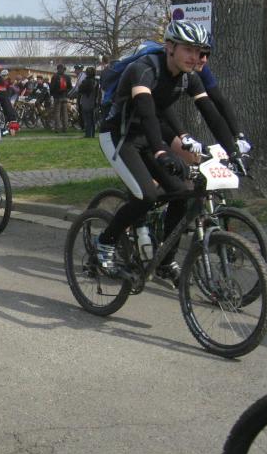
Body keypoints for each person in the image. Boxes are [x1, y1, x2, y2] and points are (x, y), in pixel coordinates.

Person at [96, 19, 239, 285]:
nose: (195, 56)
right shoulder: (144, 69)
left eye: (199, 51)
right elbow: (148, 114)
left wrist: (234, 151)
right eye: (188, 49)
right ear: (170, 47)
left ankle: (164, 260)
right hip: (119, 136)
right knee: (146, 196)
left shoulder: (188, 77)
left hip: (147, 138)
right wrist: (162, 153)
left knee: (181, 192)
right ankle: (105, 243)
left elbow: (211, 113)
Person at [49, 64, 72, 132]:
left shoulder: (55, 76)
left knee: (57, 113)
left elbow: (52, 87)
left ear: (57, 69)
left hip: (57, 97)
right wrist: (66, 93)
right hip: (64, 97)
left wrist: (52, 94)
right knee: (65, 113)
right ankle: (65, 128)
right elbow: (70, 87)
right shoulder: (67, 77)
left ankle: (58, 128)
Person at [77, 66, 98, 138]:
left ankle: (88, 134)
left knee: (87, 118)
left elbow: (80, 89)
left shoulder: (86, 81)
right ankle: (92, 134)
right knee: (92, 119)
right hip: (94, 100)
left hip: (86, 100)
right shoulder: (96, 81)